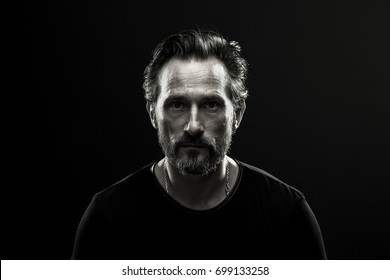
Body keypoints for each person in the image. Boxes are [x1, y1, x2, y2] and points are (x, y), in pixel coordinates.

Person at [71, 29, 327, 260]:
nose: (193, 126)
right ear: (152, 113)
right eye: (177, 104)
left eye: (211, 105)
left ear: (237, 114)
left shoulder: (286, 215)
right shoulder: (108, 217)